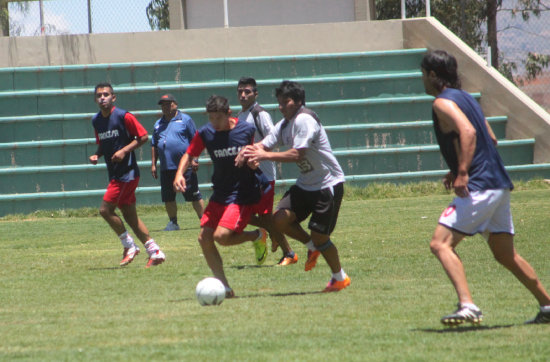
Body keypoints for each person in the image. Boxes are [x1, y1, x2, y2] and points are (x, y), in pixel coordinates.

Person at [421, 50, 550, 325]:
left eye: (423, 74)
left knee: (440, 244)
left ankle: (468, 305)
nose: (422, 79)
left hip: (478, 185)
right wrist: (455, 168)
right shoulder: (467, 97)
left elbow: (468, 132)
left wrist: (464, 172)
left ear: (432, 75)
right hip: (498, 184)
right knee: (506, 255)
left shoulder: (442, 103)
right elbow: (490, 138)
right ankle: (548, 306)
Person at [242, 80, 350, 292]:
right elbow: (263, 144)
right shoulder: (284, 124)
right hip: (306, 184)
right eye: (279, 103)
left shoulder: (304, 120)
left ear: (298, 101)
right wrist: (247, 152)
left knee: (321, 237)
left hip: (327, 185)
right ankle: (312, 248)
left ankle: (339, 277)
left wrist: (264, 156)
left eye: (286, 102)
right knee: (279, 220)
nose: (281, 107)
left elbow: (296, 153)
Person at [173, 95, 267, 297]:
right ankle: (225, 287)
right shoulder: (206, 133)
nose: (214, 123)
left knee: (221, 237)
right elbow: (189, 154)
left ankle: (256, 235)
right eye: (211, 118)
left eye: (218, 118)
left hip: (242, 193)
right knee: (204, 239)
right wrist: (180, 173)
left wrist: (253, 163)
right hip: (220, 193)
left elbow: (254, 154)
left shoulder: (246, 130)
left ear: (229, 114)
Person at [89, 82, 166, 268]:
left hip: (127, 173)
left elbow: (143, 136)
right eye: (99, 95)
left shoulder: (124, 116)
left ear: (113, 97)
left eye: (106, 94)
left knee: (105, 210)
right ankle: (155, 251)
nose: (102, 98)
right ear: (95, 99)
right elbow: (104, 143)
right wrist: (97, 154)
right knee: (130, 215)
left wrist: (124, 151)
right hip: (115, 173)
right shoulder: (96, 120)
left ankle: (129, 246)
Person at [236, 77, 298, 266]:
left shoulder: (259, 114)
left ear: (255, 93)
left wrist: (254, 153)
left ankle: (288, 252)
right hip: (248, 175)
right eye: (240, 91)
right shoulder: (241, 115)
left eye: (247, 91)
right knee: (242, 213)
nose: (243, 95)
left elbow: (272, 139)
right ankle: (271, 233)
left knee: (263, 216)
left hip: (264, 175)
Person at [151, 93, 205, 231]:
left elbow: (196, 140)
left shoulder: (185, 120)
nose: (165, 107)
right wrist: (153, 164)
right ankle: (173, 222)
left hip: (185, 166)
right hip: (166, 166)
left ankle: (204, 220)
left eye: (168, 104)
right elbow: (154, 144)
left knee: (193, 194)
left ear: (175, 104)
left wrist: (195, 159)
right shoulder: (158, 124)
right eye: (163, 105)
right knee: (168, 197)